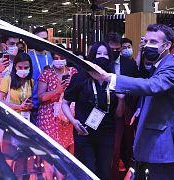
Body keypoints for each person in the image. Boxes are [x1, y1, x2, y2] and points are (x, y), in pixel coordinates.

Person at [89, 24, 174, 180]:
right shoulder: (158, 65)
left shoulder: (172, 67)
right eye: (146, 41)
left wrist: (110, 78)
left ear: (167, 45)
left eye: (153, 42)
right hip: (152, 142)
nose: (148, 45)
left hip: (162, 144)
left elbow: (151, 86)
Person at [62, 41, 125, 180]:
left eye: (105, 54)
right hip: (84, 131)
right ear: (91, 57)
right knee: (87, 170)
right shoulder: (80, 77)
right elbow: (65, 103)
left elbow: (119, 114)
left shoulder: (113, 80)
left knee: (104, 171)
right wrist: (73, 121)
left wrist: (121, 99)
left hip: (107, 132)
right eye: (98, 54)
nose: (102, 57)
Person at [37, 51, 78, 180]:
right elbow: (41, 97)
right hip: (48, 115)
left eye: (62, 58)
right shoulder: (47, 73)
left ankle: (63, 177)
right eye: (56, 58)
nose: (59, 60)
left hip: (66, 115)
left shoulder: (73, 72)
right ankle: (48, 177)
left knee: (65, 150)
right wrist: (57, 90)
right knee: (49, 150)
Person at [105, 32, 139, 178]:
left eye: (117, 49)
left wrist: (136, 108)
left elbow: (139, 85)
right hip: (107, 111)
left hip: (127, 110)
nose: (115, 52)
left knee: (129, 146)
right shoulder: (102, 63)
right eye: (111, 49)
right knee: (113, 148)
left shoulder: (129, 63)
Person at [28, 27, 53, 122]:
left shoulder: (51, 56)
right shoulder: (28, 56)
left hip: (48, 103)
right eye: (39, 39)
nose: (43, 42)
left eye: (45, 39)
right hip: (32, 104)